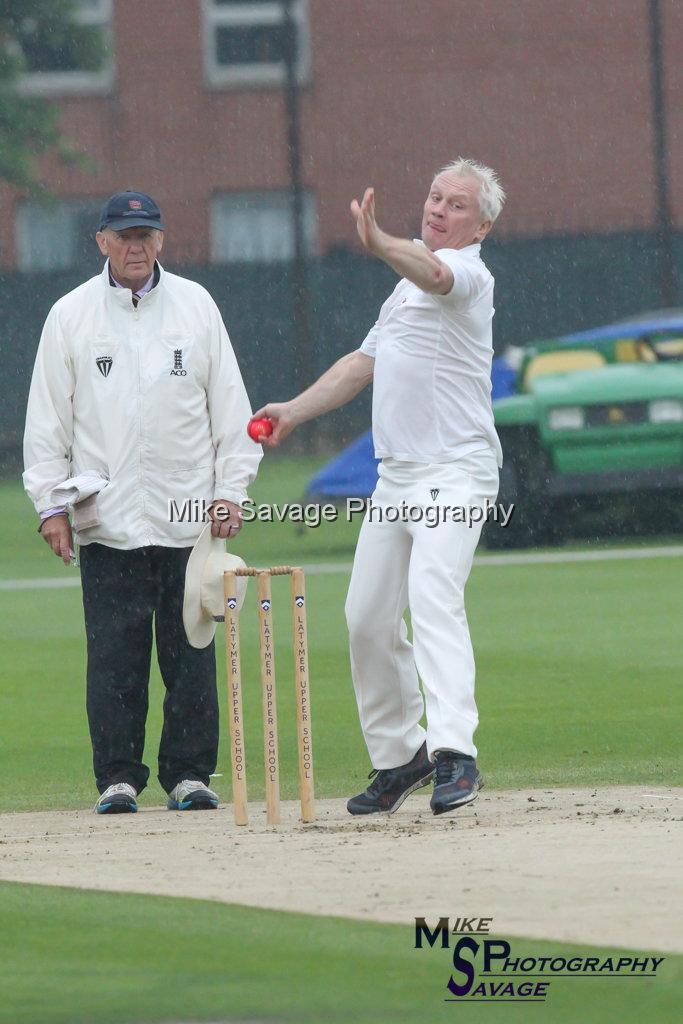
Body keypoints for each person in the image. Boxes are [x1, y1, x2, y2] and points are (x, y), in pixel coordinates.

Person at [254, 158, 505, 816]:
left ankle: (456, 754)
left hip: (455, 469)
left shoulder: (469, 274)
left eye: (454, 205)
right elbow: (360, 364)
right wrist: (293, 410)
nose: (437, 209)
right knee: (365, 617)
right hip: (396, 478)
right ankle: (401, 757)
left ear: (480, 225)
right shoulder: (402, 289)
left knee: (432, 596)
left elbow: (435, 271)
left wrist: (378, 242)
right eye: (433, 195)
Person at [23, 191, 261, 814]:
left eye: (146, 235)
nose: (136, 246)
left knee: (190, 655)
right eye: (124, 235)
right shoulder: (71, 315)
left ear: (161, 240)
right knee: (114, 657)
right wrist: (50, 506)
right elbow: (47, 423)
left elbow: (230, 411)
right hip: (107, 517)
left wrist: (231, 490)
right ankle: (118, 779)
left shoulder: (196, 306)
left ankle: (188, 775)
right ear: (101, 241)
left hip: (188, 518)